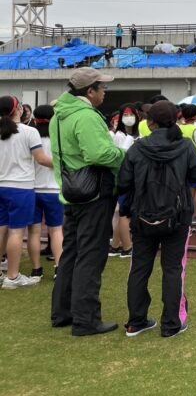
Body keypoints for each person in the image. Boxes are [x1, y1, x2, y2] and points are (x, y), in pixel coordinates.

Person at [118, 101, 196, 338]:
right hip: (177, 216)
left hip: (142, 214)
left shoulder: (137, 147)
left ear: (150, 122)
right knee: (173, 269)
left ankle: (136, 320)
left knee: (140, 267)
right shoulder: (185, 146)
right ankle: (171, 323)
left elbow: (123, 182)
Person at [51, 69, 125, 335]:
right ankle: (86, 319)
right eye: (101, 87)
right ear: (89, 91)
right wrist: (124, 155)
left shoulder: (60, 115)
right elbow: (98, 154)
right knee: (91, 256)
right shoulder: (86, 116)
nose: (105, 92)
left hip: (70, 192)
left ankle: (63, 313)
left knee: (71, 253)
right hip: (94, 194)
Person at [0, 96, 53, 289]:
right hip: (21, 188)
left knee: (2, 228)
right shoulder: (29, 131)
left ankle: (3, 273)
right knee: (16, 231)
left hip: (2, 186)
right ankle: (13, 276)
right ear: (18, 109)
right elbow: (41, 159)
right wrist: (64, 165)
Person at [31, 106, 64, 280]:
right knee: (56, 230)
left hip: (33, 189)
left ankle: (36, 269)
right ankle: (59, 268)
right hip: (54, 190)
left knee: (34, 232)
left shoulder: (30, 135)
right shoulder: (59, 137)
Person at [109, 104, 140, 257]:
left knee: (122, 212)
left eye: (131, 114)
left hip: (133, 176)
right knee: (124, 213)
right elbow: (117, 157)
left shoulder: (136, 134)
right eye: (125, 115)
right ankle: (127, 247)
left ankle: (115, 245)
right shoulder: (119, 135)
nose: (129, 118)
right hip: (126, 177)